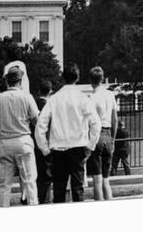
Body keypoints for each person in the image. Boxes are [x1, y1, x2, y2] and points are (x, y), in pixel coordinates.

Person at [35, 63, 101, 203]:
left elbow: (40, 126)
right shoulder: (83, 98)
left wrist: (45, 149)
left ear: (63, 77)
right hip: (78, 147)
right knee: (77, 190)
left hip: (58, 149)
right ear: (77, 77)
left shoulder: (54, 99)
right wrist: (90, 146)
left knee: (58, 190)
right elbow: (96, 123)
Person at [0, 66, 39, 207]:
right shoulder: (27, 97)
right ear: (21, 81)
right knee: (29, 182)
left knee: (3, 186)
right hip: (23, 140)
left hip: (5, 142)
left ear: (7, 81)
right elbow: (36, 121)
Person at [86, 67, 118, 200]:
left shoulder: (91, 98)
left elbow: (89, 122)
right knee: (106, 179)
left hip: (97, 135)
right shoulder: (110, 95)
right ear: (103, 78)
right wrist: (113, 140)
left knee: (97, 181)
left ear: (90, 80)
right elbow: (115, 119)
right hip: (108, 134)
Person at [33, 80, 53, 204]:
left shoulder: (33, 104)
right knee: (47, 179)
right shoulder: (51, 106)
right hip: (47, 144)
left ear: (39, 91)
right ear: (50, 92)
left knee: (35, 177)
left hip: (33, 145)